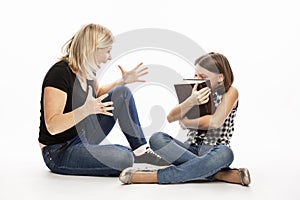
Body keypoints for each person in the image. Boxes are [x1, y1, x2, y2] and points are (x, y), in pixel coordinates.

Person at [38, 23, 169, 177]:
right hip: (59, 151)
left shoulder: (87, 72)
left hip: (83, 135)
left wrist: (122, 81)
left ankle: (140, 152)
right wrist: (86, 110)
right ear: (93, 48)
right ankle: (128, 155)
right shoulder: (59, 73)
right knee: (123, 158)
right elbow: (53, 125)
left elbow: (97, 95)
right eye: (107, 51)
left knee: (122, 92)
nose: (110, 57)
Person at [119, 52, 251, 186]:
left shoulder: (231, 92)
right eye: (196, 75)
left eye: (203, 76)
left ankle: (152, 177)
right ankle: (218, 174)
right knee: (157, 138)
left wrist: (187, 122)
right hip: (190, 149)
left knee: (226, 153)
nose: (198, 79)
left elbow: (215, 122)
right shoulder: (194, 92)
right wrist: (191, 101)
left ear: (220, 77)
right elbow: (171, 117)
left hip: (215, 151)